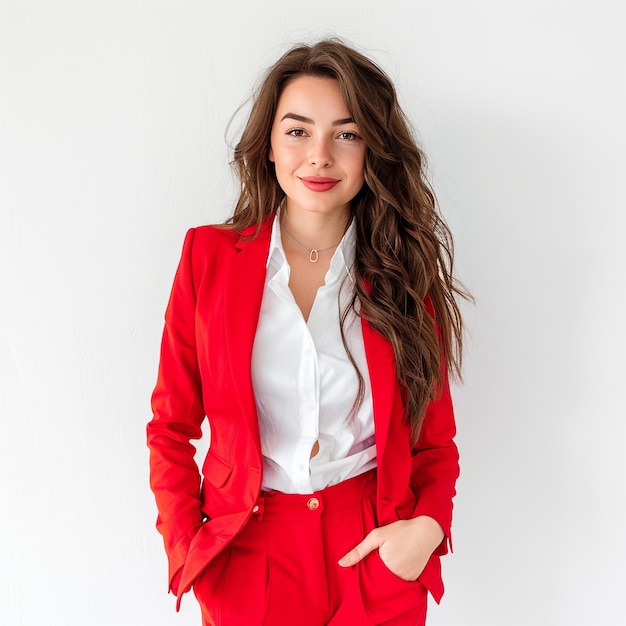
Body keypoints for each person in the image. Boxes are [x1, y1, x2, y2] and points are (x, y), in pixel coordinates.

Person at [147, 38, 468, 626]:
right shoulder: (207, 258)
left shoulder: (402, 274)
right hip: (248, 550)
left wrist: (426, 529)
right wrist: (189, 553)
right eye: (298, 131)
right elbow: (170, 427)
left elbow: (434, 441)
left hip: (373, 548)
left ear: (373, 150)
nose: (319, 156)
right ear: (269, 144)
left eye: (346, 133)